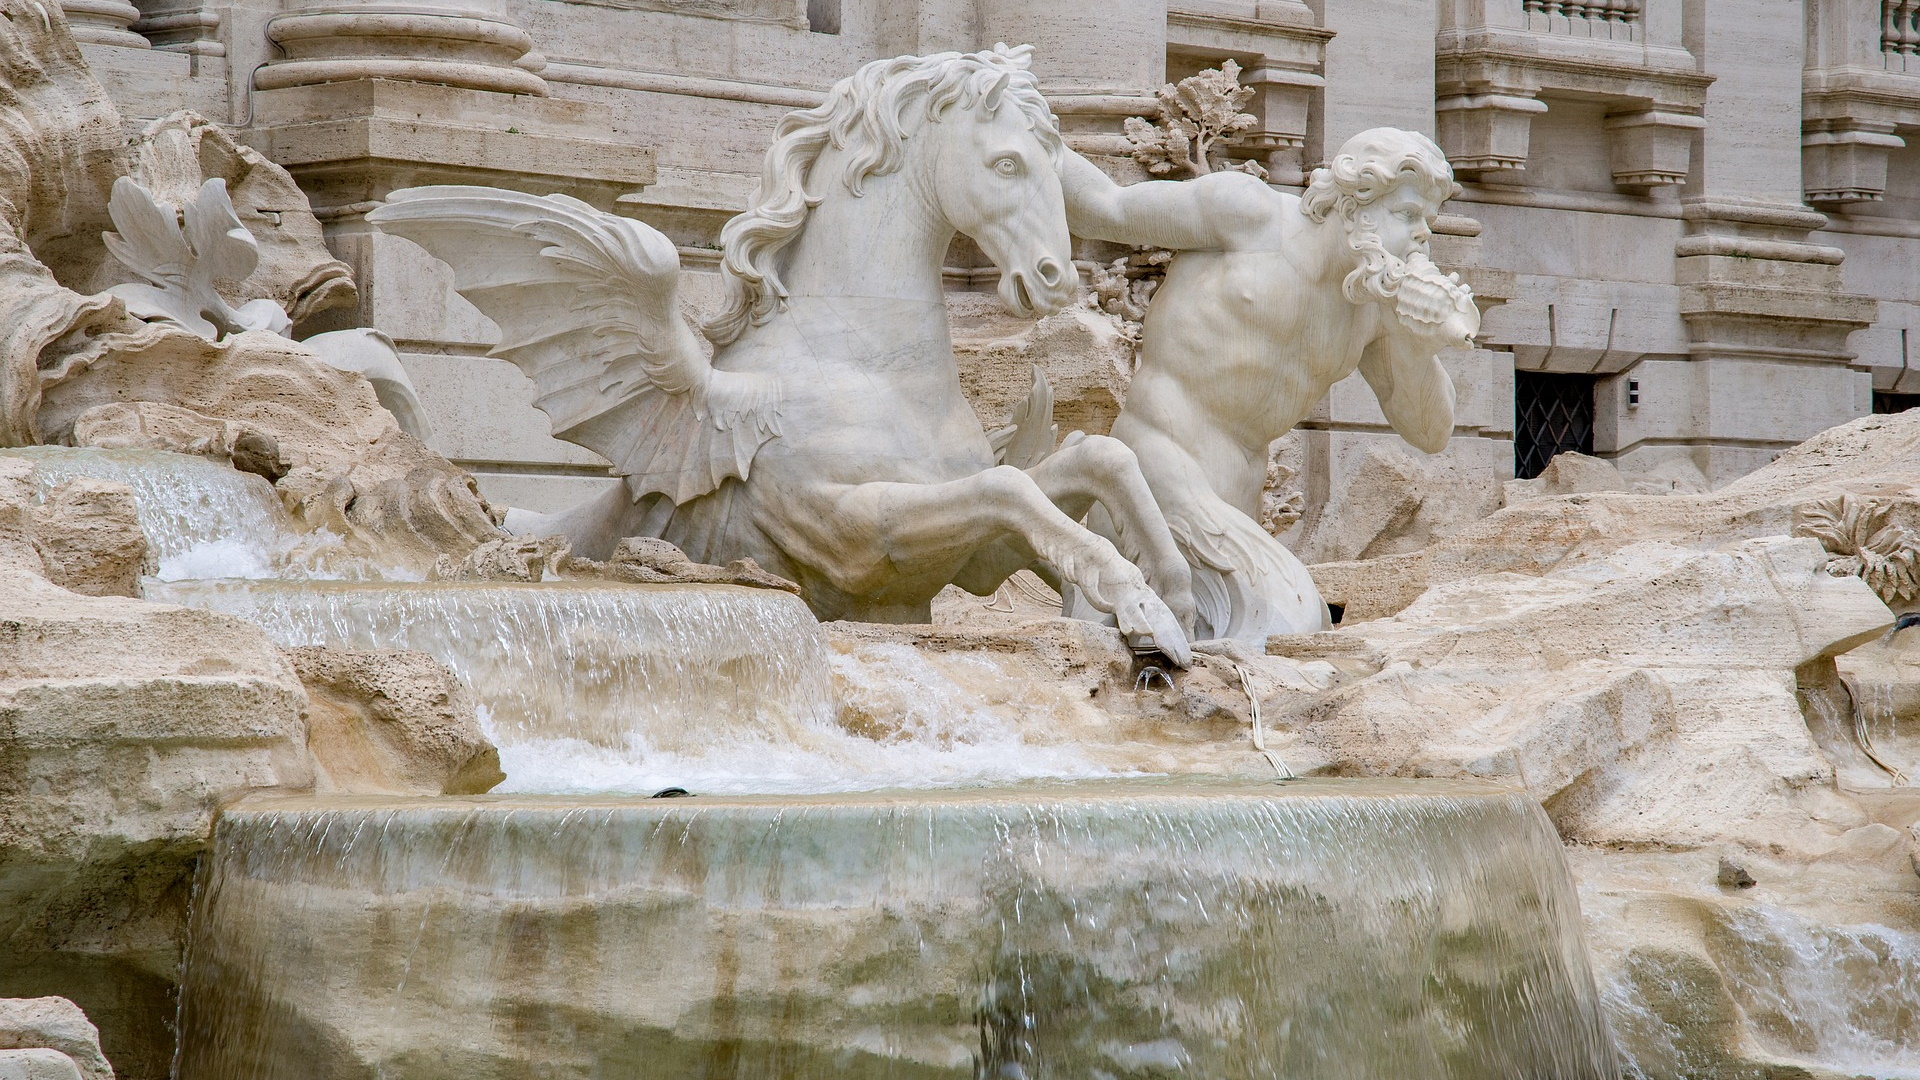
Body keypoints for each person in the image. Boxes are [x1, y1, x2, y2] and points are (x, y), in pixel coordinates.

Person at [1061, 127, 1479, 642]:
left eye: (1429, 222)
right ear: (1353, 208)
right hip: (1155, 466)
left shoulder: (1373, 310)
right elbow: (1106, 208)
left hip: (1238, 504)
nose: (1423, 236)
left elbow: (1430, 433)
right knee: (1292, 620)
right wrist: (1026, 134)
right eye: (1408, 215)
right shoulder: (1250, 215)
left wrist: (1418, 343)